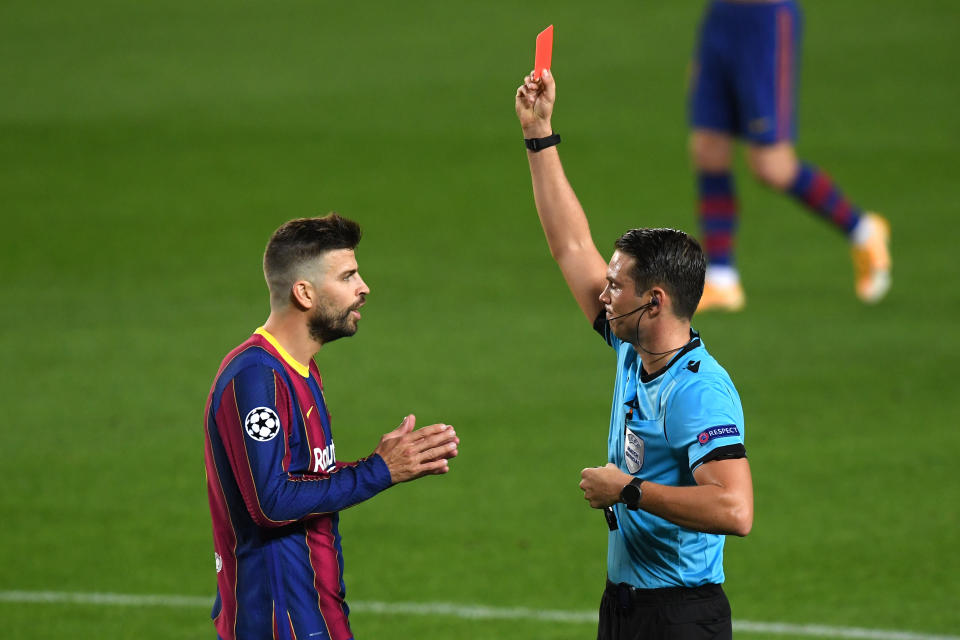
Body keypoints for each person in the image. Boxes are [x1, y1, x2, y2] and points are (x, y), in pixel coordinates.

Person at [516, 69, 753, 639]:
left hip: (680, 616)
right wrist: (539, 136)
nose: (601, 292)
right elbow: (569, 244)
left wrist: (628, 490)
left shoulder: (697, 389)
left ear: (654, 301)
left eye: (615, 286)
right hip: (624, 608)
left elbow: (734, 510)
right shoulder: (632, 347)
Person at [203, 213, 459, 640]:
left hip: (313, 611)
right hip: (277, 620)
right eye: (348, 276)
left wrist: (379, 462)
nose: (364, 288)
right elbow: (271, 501)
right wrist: (380, 471)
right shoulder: (256, 378)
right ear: (304, 292)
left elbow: (305, 480)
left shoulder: (301, 371)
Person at [689, 0, 891, 311]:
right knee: (708, 148)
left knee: (772, 166)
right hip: (721, 16)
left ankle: (863, 230)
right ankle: (722, 277)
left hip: (764, 21)